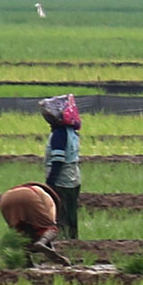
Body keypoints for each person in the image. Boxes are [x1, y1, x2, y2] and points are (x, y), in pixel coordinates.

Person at [40, 94, 82, 239]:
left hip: (62, 180)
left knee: (60, 213)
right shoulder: (73, 133)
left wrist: (50, 181)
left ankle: (63, 241)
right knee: (71, 212)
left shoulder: (59, 134)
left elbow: (58, 160)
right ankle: (73, 239)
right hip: (73, 178)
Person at [0, 182, 71, 265]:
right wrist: (45, 244)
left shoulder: (32, 189)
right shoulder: (51, 200)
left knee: (20, 234)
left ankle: (28, 263)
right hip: (29, 195)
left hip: (5, 199)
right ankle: (41, 242)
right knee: (52, 229)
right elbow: (49, 225)